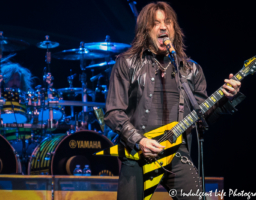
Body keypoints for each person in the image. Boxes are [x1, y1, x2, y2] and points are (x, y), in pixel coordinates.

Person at [104, 2, 245, 200]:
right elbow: (113, 112)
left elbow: (202, 119)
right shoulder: (127, 63)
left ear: (174, 29)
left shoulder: (191, 70)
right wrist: (140, 141)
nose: (163, 27)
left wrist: (226, 99)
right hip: (138, 154)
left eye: (167, 22)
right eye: (156, 23)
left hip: (178, 152)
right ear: (146, 31)